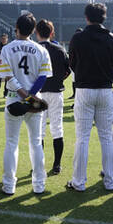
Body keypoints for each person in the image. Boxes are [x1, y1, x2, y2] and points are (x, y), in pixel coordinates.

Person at [66, 3, 113, 192]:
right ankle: (110, 180)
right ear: (104, 17)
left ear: (87, 17)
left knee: (82, 138)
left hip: (84, 89)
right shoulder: (112, 38)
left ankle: (79, 182)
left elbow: (72, 63)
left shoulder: (78, 37)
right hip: (105, 89)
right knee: (106, 138)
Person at [0, 13, 52, 195]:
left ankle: (8, 185)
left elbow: (8, 76)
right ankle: (39, 185)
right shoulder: (41, 49)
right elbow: (43, 76)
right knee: (36, 143)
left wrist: (23, 94)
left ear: (17, 28)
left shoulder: (7, 49)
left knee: (11, 143)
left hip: (14, 97)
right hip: (35, 102)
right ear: (33, 30)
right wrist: (30, 96)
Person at [35, 19, 70, 175]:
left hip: (37, 93)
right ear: (51, 33)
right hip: (56, 92)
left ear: (37, 33)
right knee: (57, 129)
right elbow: (67, 71)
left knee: (39, 131)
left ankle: (39, 163)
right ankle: (57, 165)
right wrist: (58, 79)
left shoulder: (33, 49)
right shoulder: (59, 49)